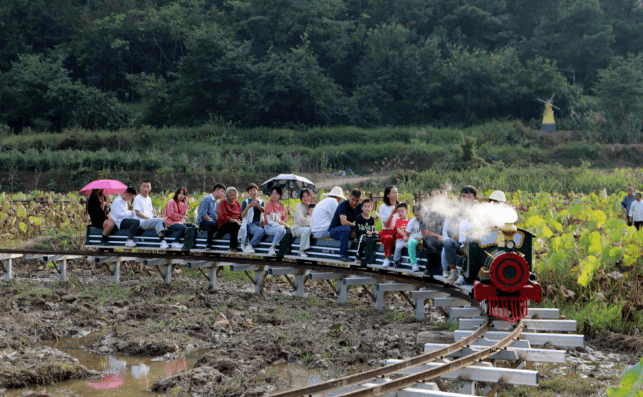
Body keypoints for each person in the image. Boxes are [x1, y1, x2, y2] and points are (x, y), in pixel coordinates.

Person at [442, 185, 478, 284]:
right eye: (463, 196)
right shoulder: (456, 211)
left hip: (476, 242)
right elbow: (450, 230)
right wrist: (459, 237)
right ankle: (453, 273)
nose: (466, 199)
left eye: (469, 196)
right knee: (448, 242)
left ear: (474, 198)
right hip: (459, 241)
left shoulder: (479, 210)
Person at [328, 189, 363, 262]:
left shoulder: (359, 206)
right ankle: (343, 255)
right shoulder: (343, 204)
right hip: (335, 230)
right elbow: (344, 222)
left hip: (348, 230)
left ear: (360, 200)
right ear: (349, 197)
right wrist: (356, 226)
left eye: (357, 200)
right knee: (346, 228)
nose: (354, 202)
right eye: (352, 199)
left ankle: (360, 256)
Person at [133, 180, 169, 249]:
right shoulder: (137, 198)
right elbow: (138, 213)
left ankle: (171, 240)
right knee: (158, 221)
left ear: (150, 188)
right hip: (142, 222)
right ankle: (162, 241)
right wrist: (149, 218)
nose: (146, 188)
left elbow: (150, 212)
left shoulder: (149, 199)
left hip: (149, 221)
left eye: (148, 187)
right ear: (140, 187)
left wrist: (154, 216)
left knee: (165, 220)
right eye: (144, 186)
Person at [420, 190, 445, 276]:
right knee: (434, 243)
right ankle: (430, 268)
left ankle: (445, 269)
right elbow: (424, 232)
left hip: (445, 236)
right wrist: (437, 235)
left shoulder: (446, 211)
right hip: (430, 237)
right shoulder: (426, 212)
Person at [197, 184, 226, 249]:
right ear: (216, 190)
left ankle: (218, 242)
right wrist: (214, 221)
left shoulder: (218, 202)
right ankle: (208, 244)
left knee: (225, 225)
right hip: (204, 222)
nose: (223, 194)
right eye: (222, 191)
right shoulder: (206, 199)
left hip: (213, 222)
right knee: (212, 224)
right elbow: (203, 215)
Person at [264, 186, 290, 257]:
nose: (273, 195)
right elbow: (274, 218)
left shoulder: (281, 206)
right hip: (268, 226)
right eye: (272, 193)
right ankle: (272, 248)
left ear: (280, 196)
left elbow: (283, 220)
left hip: (277, 227)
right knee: (282, 230)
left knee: (286, 231)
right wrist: (286, 225)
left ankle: (283, 252)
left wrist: (288, 213)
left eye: (276, 194)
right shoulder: (269, 204)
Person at [378, 185, 400, 267]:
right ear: (387, 195)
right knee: (388, 238)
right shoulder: (383, 207)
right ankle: (387, 258)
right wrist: (392, 214)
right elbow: (386, 225)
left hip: (398, 231)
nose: (396, 194)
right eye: (393, 192)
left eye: (396, 192)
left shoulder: (400, 205)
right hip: (387, 231)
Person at [240, 183, 265, 253]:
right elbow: (242, 215)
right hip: (251, 224)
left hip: (261, 223)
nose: (253, 192)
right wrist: (247, 208)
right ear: (248, 193)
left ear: (257, 191)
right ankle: (250, 245)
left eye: (254, 190)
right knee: (260, 231)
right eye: (251, 191)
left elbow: (264, 211)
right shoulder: (245, 202)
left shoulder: (261, 201)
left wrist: (258, 205)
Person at [216, 187, 242, 251]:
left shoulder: (237, 203)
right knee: (234, 225)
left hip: (236, 222)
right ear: (227, 196)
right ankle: (232, 247)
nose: (234, 197)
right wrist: (234, 220)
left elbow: (240, 215)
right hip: (224, 223)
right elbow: (222, 216)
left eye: (235, 195)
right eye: (231, 195)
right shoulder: (223, 202)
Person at [292, 189, 313, 257]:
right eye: (303, 197)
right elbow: (301, 221)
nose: (306, 198)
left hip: (309, 228)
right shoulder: (299, 206)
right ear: (301, 198)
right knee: (307, 230)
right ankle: (301, 250)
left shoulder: (312, 206)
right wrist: (309, 215)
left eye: (307, 196)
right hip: (297, 228)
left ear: (310, 197)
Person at [354, 198, 376, 265]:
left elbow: (372, 230)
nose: (367, 208)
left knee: (373, 238)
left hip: (369, 236)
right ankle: (358, 257)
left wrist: (374, 232)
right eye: (365, 207)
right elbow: (357, 230)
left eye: (369, 207)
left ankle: (370, 258)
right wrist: (365, 231)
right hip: (361, 235)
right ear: (362, 208)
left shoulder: (372, 219)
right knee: (363, 238)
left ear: (371, 208)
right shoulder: (359, 218)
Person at [405, 204, 424, 272]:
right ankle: (414, 264)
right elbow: (407, 233)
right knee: (411, 243)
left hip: (423, 239)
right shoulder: (412, 222)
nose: (417, 217)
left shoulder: (425, 221)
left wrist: (422, 238)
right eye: (415, 215)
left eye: (419, 215)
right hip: (414, 239)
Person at [390, 203, 410, 267]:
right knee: (398, 247)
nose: (400, 213)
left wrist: (407, 236)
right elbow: (398, 230)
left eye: (402, 211)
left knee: (411, 246)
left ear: (406, 212)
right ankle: (396, 261)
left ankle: (410, 262)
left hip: (407, 239)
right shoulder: (398, 221)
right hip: (400, 239)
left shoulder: (410, 221)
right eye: (398, 212)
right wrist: (404, 234)